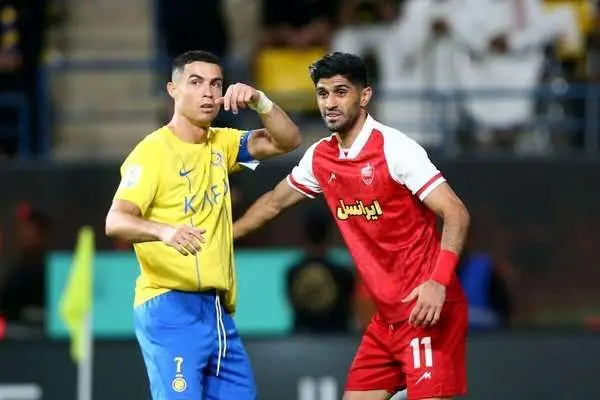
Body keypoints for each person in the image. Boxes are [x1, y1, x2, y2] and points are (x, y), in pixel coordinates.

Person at [233, 52, 470, 400]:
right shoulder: (321, 156)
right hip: (386, 321)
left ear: (364, 96)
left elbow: (456, 212)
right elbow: (273, 203)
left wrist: (438, 281)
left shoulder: (395, 149)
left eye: (340, 92)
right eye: (322, 93)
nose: (330, 103)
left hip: (426, 310)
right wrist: (224, 236)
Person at [104, 50, 300, 400]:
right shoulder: (151, 153)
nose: (208, 93)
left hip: (217, 312)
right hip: (169, 306)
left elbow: (288, 140)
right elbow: (115, 220)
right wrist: (164, 231)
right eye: (195, 82)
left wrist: (260, 101)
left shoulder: (221, 144)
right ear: (173, 89)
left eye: (215, 84)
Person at [285, 207, 355, 334]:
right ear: (330, 235)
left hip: (301, 339)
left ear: (304, 234)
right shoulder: (344, 274)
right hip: (338, 340)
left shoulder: (292, 273)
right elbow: (350, 311)